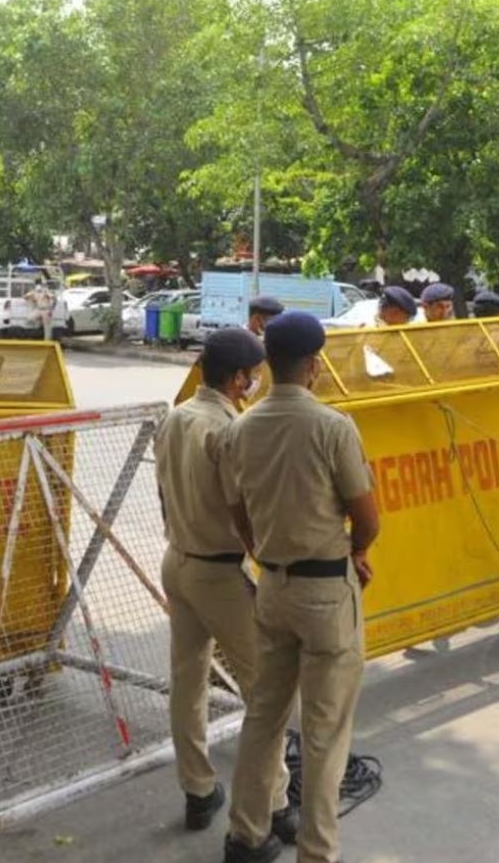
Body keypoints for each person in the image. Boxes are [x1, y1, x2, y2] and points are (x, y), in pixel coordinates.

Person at [221, 310, 380, 863]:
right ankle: (317, 852)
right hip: (325, 594)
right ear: (314, 365)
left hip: (274, 588)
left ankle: (245, 833)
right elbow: (368, 517)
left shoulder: (240, 427)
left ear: (269, 366)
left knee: (264, 717)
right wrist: (355, 551)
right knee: (324, 731)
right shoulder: (332, 426)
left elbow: (237, 511)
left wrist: (264, 552)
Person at [154, 329, 297, 842]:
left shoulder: (174, 419)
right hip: (218, 572)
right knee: (266, 692)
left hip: (178, 560)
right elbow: (248, 514)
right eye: (254, 373)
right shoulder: (227, 430)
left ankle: (197, 790)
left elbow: (165, 497)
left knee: (188, 681)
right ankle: (277, 804)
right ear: (239, 379)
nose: (258, 380)